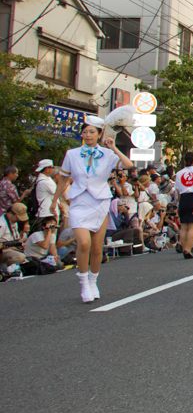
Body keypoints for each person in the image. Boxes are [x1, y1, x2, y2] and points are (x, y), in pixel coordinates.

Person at [50, 116, 135, 302]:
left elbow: (128, 165)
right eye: (85, 131)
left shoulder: (108, 154)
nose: (88, 135)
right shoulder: (71, 154)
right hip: (79, 202)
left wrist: (113, 147)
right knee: (84, 243)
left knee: (97, 249)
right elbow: (64, 178)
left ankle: (93, 280)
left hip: (100, 202)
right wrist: (54, 200)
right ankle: (83, 283)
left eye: (92, 132)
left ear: (99, 134)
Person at [0, 202, 28, 271]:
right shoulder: (2, 224)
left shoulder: (14, 222)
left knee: (27, 261)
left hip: (9, 249)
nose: (19, 220)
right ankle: (3, 268)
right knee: (20, 257)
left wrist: (20, 244)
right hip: (3, 250)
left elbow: (16, 239)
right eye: (18, 217)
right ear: (10, 213)